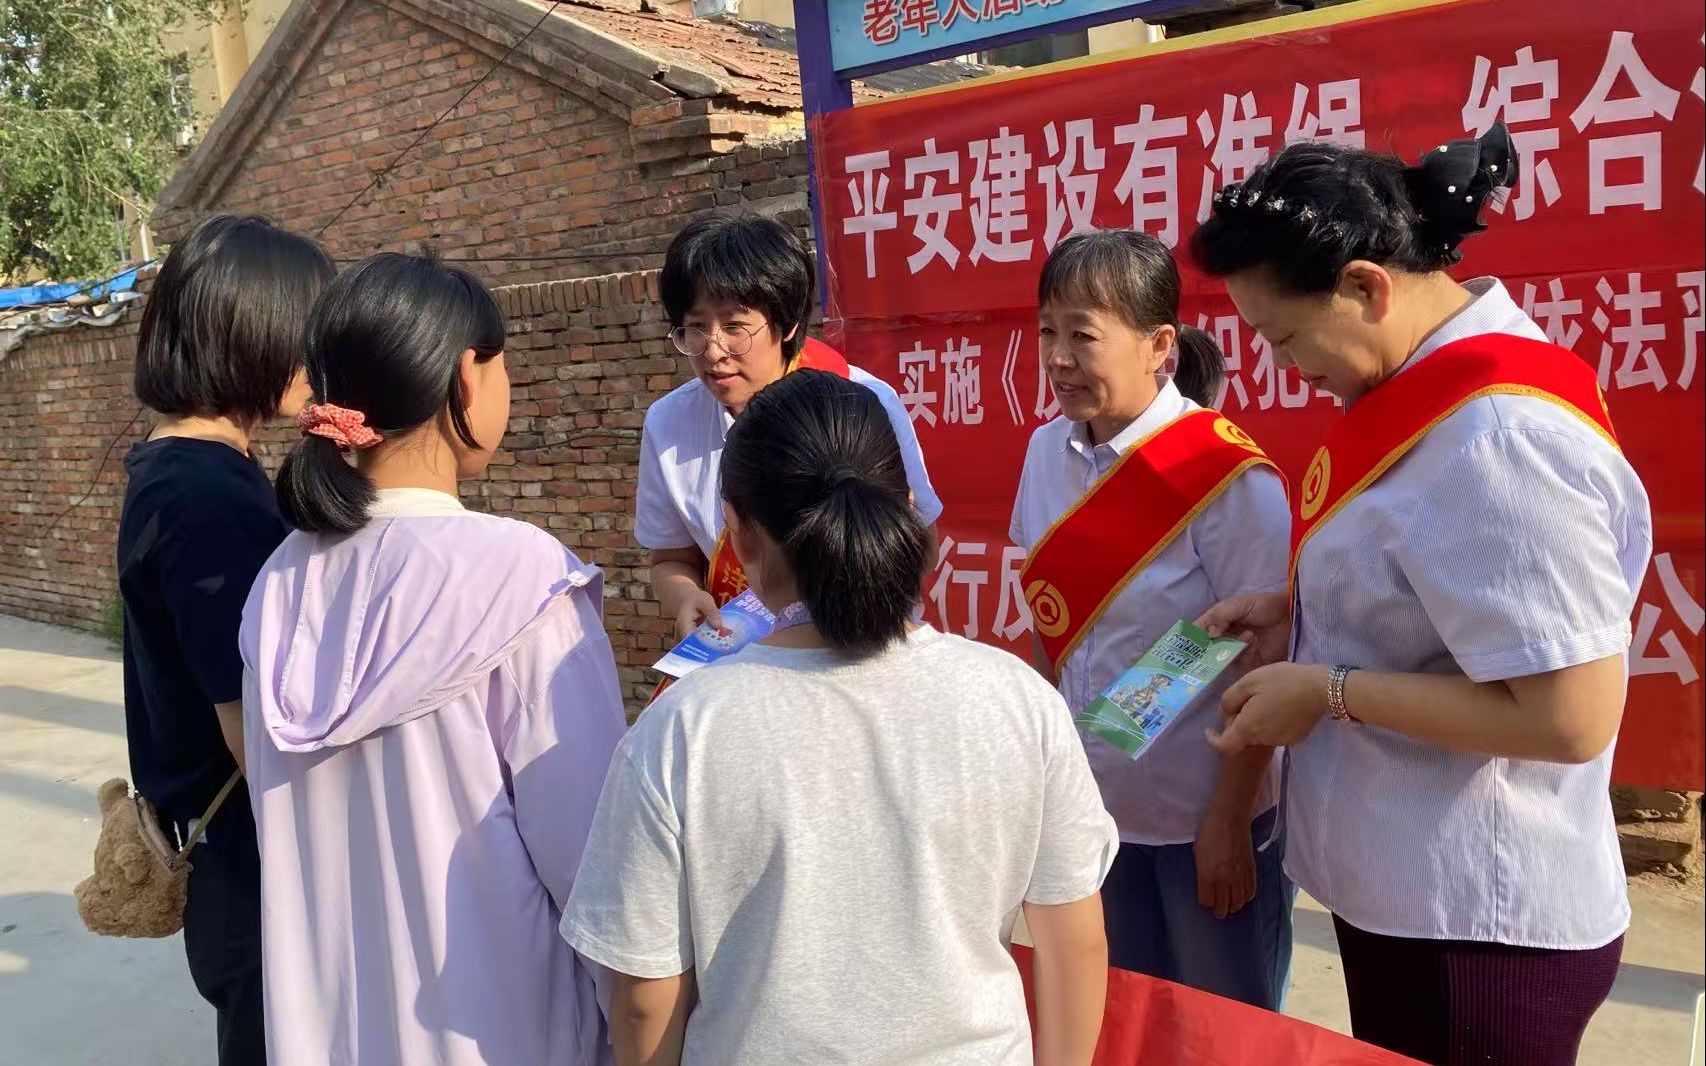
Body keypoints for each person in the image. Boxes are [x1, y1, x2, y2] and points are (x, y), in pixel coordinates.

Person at [1190, 125, 1650, 1066]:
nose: (1287, 368)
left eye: (1287, 338)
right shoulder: (1426, 393)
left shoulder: (1502, 439)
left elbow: (1568, 716)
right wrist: (1302, 612)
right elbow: (1444, 593)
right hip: (1415, 893)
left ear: (1367, 287)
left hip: (1477, 927)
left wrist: (1325, 690)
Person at [563, 370, 1119, 1066]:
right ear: (907, 508)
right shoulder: (1017, 700)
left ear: (738, 532)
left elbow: (646, 999)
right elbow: (1074, 942)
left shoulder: (681, 730)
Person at [239, 253, 627, 1066]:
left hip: (332, 1032)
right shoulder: (523, 577)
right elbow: (594, 864)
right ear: (465, 377)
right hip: (505, 1030)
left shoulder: (280, 580)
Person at [1009, 230, 1294, 1009]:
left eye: (1082, 336)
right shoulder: (1044, 454)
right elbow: (1051, 628)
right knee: (1124, 1023)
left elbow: (1260, 659)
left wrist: (1227, 820)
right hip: (1094, 813)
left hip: (1202, 813)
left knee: (1222, 1033)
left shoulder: (1224, 475)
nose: (1058, 358)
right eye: (1047, 332)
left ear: (1159, 345)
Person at [118, 214, 333, 1066]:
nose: (317, 361)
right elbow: (256, 727)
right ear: (252, 337)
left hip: (228, 858)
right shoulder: (207, 499)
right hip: (256, 865)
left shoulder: (178, 468)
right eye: (306, 335)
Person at [636, 214, 942, 643]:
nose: (713, 350)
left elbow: (923, 547)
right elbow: (670, 558)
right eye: (696, 327)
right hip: (743, 656)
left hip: (861, 645)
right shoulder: (668, 422)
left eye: (735, 327)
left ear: (787, 324)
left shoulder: (863, 402)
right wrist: (685, 597)